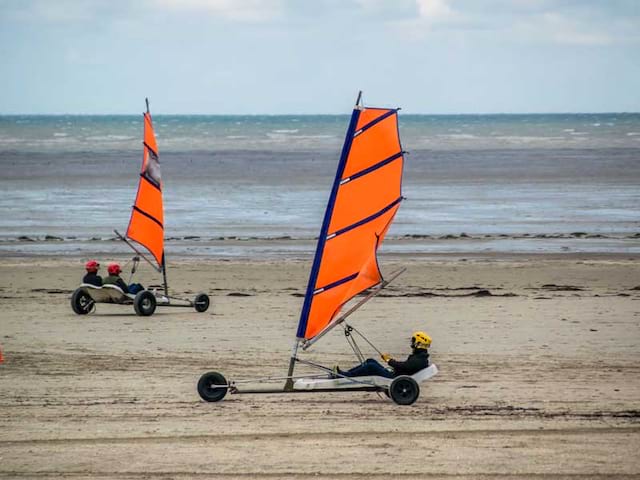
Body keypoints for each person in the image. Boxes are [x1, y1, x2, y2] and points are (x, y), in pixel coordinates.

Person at [334, 331, 431, 379]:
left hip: (393, 378)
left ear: (419, 343)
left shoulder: (419, 359)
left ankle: (346, 376)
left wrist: (389, 361)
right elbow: (405, 366)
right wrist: (390, 360)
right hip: (395, 374)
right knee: (370, 361)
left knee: (371, 366)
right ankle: (346, 374)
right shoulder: (420, 357)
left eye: (414, 341)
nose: (412, 343)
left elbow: (405, 366)